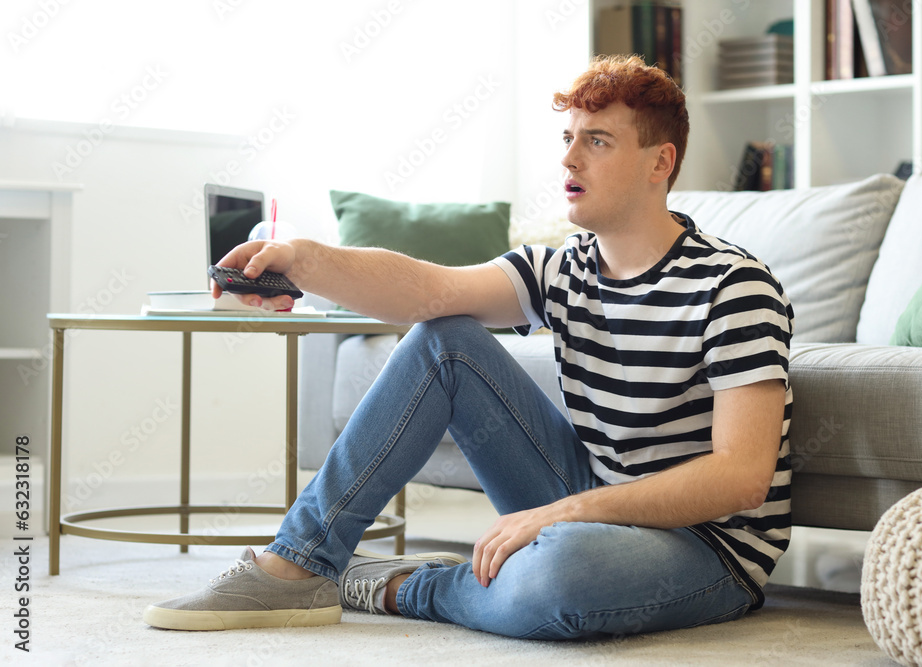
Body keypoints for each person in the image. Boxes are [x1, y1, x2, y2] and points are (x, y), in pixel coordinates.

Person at [144, 54, 794, 639]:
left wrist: (559, 514)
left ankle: (400, 584)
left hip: (704, 546)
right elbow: (428, 289)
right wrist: (304, 260)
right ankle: (298, 564)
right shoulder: (563, 269)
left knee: (556, 580)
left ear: (661, 162)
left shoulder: (733, 285)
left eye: (597, 141)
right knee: (446, 338)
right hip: (594, 497)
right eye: (568, 139)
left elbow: (740, 476)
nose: (569, 160)